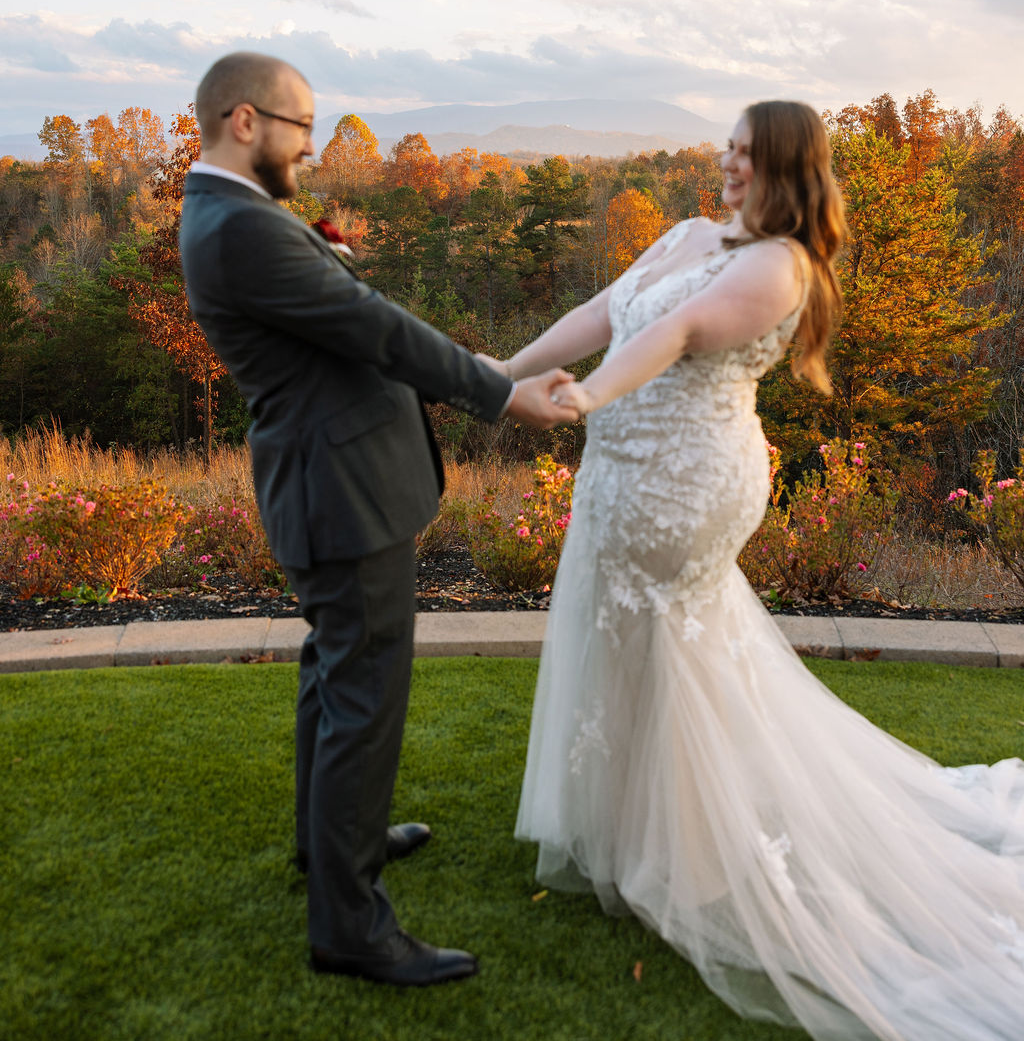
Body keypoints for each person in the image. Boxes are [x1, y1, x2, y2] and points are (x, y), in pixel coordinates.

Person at [495, 101, 1024, 1041]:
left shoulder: (781, 266)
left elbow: (683, 332)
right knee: (620, 639)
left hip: (687, 482)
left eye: (745, 151)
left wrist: (587, 397)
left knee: (677, 649)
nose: (726, 161)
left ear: (787, 166)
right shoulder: (690, 231)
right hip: (621, 474)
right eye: (727, 146)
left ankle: (695, 855)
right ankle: (630, 833)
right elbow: (604, 312)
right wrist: (502, 371)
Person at [178, 52, 577, 989]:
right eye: (300, 126)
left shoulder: (238, 214)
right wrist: (505, 395)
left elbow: (360, 321)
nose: (312, 147)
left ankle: (331, 846)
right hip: (339, 488)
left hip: (333, 478)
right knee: (363, 692)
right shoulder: (238, 228)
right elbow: (374, 326)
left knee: (334, 673)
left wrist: (488, 364)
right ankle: (351, 927)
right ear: (244, 120)